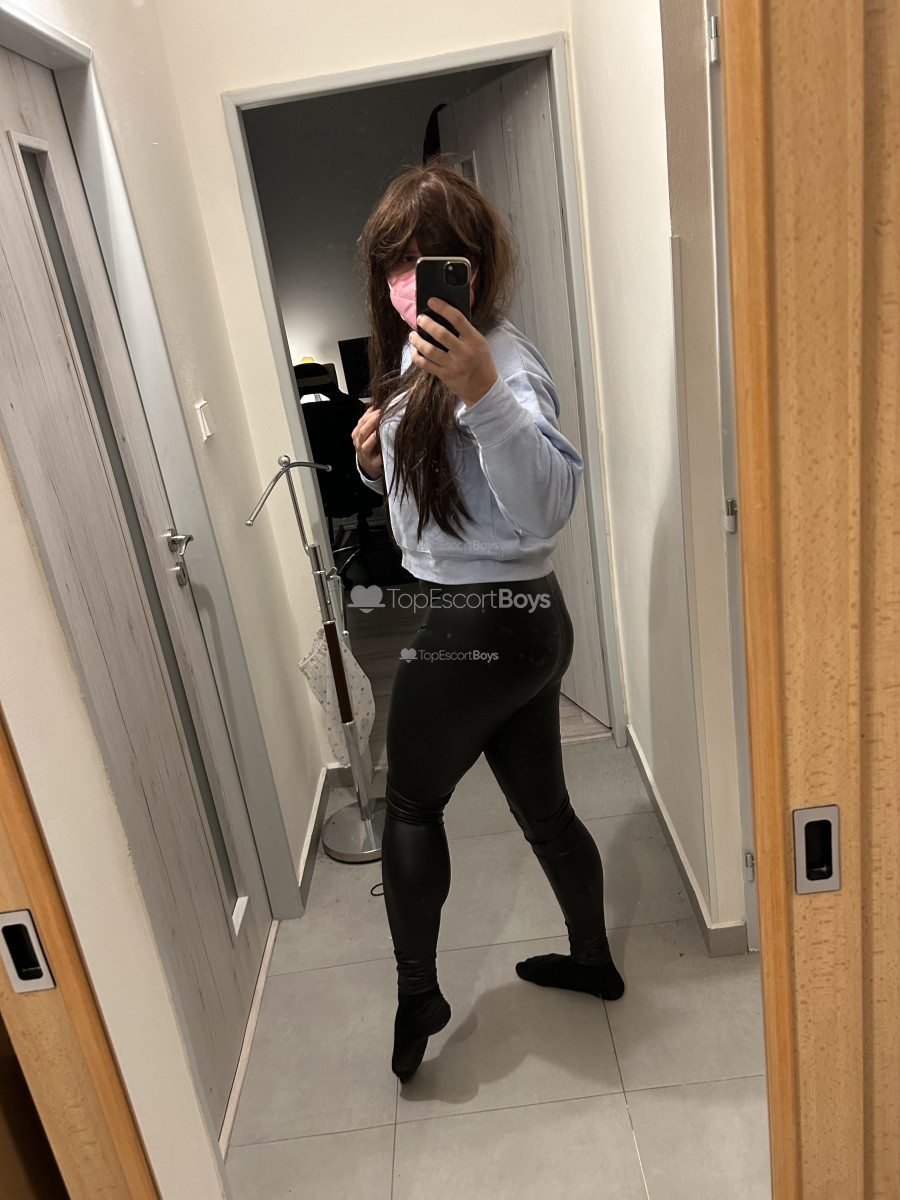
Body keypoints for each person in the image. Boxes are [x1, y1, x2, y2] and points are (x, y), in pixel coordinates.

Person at [351, 162, 624, 1085]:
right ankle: (593, 961)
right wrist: (373, 463)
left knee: (409, 806)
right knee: (545, 812)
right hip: (522, 624)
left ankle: (418, 994)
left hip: (484, 623)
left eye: (430, 261)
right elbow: (438, 508)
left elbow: (546, 508)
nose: (409, 280)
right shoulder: (413, 358)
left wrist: (482, 392)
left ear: (475, 265)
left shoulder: (502, 360)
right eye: (395, 264)